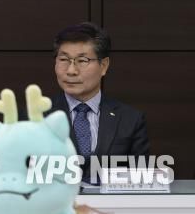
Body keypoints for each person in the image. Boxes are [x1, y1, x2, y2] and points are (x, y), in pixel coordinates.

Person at [49, 22, 149, 183]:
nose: (71, 71)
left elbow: (141, 181)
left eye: (82, 60)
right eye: (64, 59)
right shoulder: (35, 118)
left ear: (103, 66)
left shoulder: (130, 119)